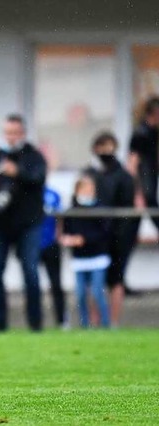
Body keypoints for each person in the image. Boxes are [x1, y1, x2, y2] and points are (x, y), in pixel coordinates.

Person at [0, 114, 47, 332]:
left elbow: (39, 178)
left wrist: (17, 172)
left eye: (15, 133)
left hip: (30, 223)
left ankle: (35, 323)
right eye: (8, 133)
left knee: (31, 272)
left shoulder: (34, 156)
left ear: (23, 133)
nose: (11, 137)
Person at [84, 132, 136, 328]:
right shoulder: (89, 174)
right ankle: (94, 321)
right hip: (95, 236)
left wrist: (121, 235)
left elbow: (128, 209)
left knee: (116, 279)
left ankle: (112, 322)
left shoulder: (123, 176)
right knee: (94, 280)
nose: (105, 151)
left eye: (109, 146)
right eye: (101, 147)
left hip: (119, 237)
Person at [59, 175, 111, 328]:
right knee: (81, 294)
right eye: (85, 189)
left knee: (97, 292)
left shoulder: (99, 209)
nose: (88, 192)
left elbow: (104, 233)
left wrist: (84, 239)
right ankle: (85, 324)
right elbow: (66, 231)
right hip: (79, 258)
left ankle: (106, 324)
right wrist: (67, 239)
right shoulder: (71, 211)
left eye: (91, 189)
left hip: (97, 257)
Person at [128, 97, 159, 232]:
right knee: (148, 205)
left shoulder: (154, 131)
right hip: (144, 181)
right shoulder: (141, 133)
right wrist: (137, 192)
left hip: (150, 177)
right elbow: (132, 163)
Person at [40, 185, 67, 328]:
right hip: (33, 245)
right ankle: (36, 321)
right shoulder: (28, 193)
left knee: (56, 283)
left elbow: (60, 217)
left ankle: (62, 320)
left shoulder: (53, 194)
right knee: (33, 283)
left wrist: (59, 236)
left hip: (51, 244)